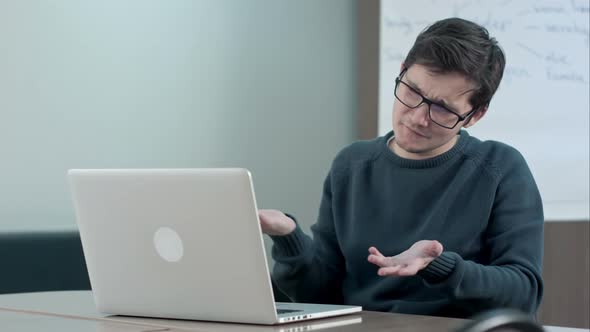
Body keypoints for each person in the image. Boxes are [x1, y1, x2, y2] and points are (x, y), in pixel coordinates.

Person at [258, 17, 543, 319]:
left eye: (443, 109)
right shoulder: (352, 165)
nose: (418, 117)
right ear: (402, 71)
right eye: (411, 92)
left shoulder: (500, 169)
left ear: (475, 115)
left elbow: (523, 295)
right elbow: (322, 294)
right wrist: (288, 237)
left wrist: (439, 265)